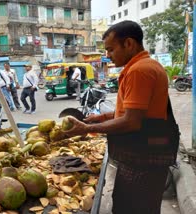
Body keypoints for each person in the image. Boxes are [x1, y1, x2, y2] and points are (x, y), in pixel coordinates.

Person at [62, 20, 179, 214]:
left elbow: (131, 122)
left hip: (143, 158)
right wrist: (100, 118)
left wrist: (87, 129)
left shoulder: (139, 71)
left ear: (129, 44)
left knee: (132, 207)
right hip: (144, 156)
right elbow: (133, 112)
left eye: (111, 49)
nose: (107, 55)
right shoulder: (147, 65)